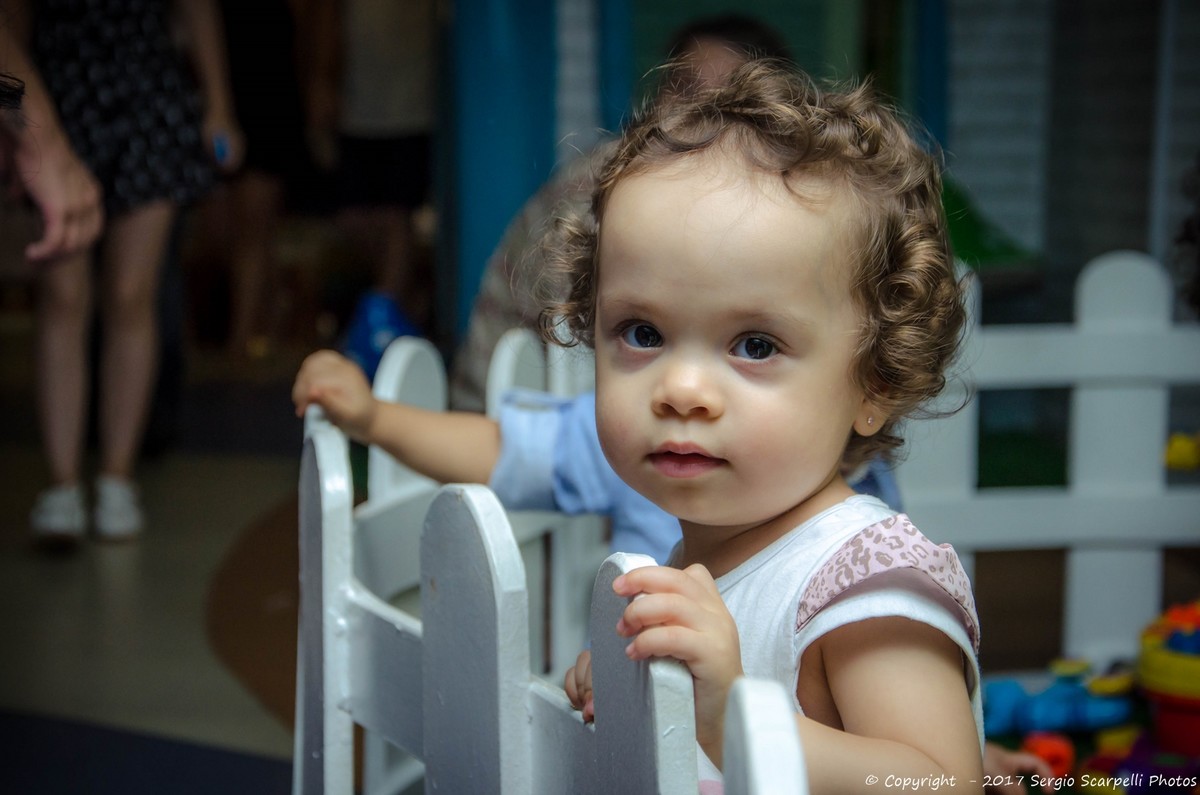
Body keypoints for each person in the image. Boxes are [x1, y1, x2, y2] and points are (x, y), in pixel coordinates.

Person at [541, 61, 983, 789]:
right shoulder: (700, 558)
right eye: (643, 333)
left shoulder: (861, 583)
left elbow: (944, 782)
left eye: (754, 345)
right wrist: (648, 689)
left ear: (875, 381)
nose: (682, 390)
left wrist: (732, 713)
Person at [449, 14, 791, 412]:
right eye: (684, 88)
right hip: (518, 414)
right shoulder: (609, 184)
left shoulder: (772, 194)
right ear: (656, 97)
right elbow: (588, 345)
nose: (700, 110)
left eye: (727, 98)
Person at [13, 0, 242, 546]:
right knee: (63, 295)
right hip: (54, 95)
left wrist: (219, 104)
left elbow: (196, 7)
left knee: (131, 294)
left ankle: (117, 478)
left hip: (146, 94)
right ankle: (62, 484)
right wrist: (18, 126)